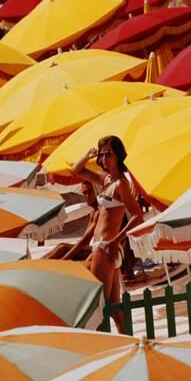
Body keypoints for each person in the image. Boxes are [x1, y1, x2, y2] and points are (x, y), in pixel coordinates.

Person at [72, 136, 144, 333]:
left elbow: (138, 216)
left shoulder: (120, 184)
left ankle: (107, 347)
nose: (104, 159)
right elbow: (77, 170)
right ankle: (128, 341)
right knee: (113, 308)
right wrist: (88, 155)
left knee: (100, 306)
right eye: (102, 155)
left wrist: (115, 240)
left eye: (108, 154)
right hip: (106, 246)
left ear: (118, 156)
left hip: (106, 246)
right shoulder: (105, 180)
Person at [43, 180, 99, 264]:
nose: (87, 196)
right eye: (84, 193)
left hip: (99, 251)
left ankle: (39, 267)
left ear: (97, 192)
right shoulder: (93, 211)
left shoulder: (100, 211)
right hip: (92, 248)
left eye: (90, 192)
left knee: (62, 248)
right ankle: (38, 265)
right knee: (61, 247)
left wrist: (66, 257)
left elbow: (86, 240)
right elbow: (85, 238)